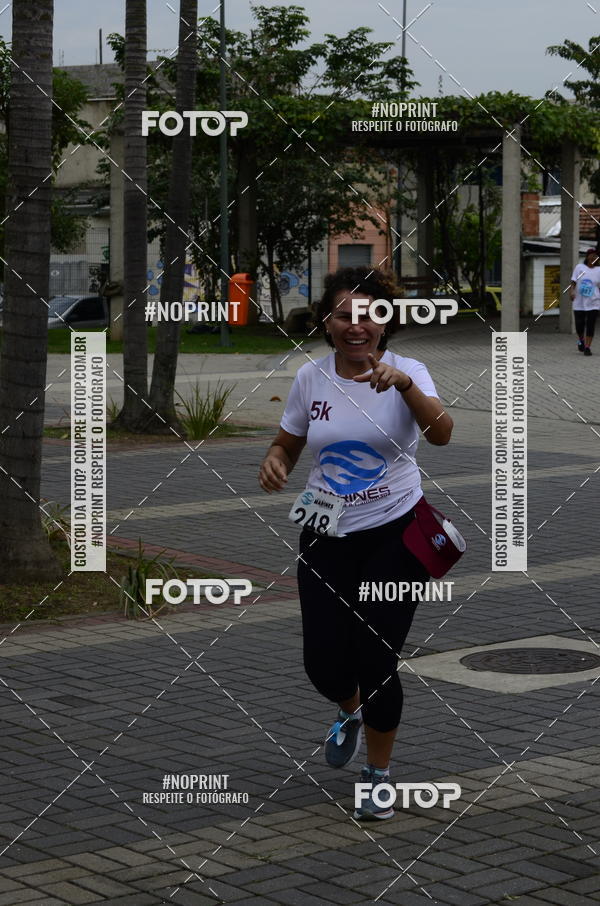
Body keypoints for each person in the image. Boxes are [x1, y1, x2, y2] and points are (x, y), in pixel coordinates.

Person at [258, 267, 453, 820]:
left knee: (377, 658)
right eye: (344, 314)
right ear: (328, 321)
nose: (356, 325)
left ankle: (378, 774)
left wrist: (407, 388)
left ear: (385, 323)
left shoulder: (409, 370)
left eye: (369, 315)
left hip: (397, 533)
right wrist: (276, 460)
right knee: (322, 661)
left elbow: (442, 433)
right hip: (326, 532)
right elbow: (288, 442)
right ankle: (349, 711)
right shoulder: (310, 378)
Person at [570, 248, 600, 356]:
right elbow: (573, 281)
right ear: (587, 257)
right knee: (579, 325)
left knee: (590, 324)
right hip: (579, 301)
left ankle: (587, 347)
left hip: (594, 302)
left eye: (595, 256)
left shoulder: (599, 270)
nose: (593, 257)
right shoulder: (579, 267)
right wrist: (571, 291)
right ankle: (581, 340)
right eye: (591, 255)